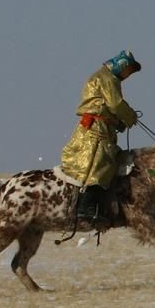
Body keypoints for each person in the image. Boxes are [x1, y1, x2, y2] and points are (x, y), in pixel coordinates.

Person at [60, 50, 141, 224]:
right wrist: (129, 117)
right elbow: (115, 103)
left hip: (101, 126)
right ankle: (85, 207)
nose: (128, 75)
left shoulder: (104, 77)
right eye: (128, 70)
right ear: (123, 65)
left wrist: (118, 122)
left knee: (106, 163)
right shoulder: (108, 79)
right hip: (96, 129)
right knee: (99, 164)